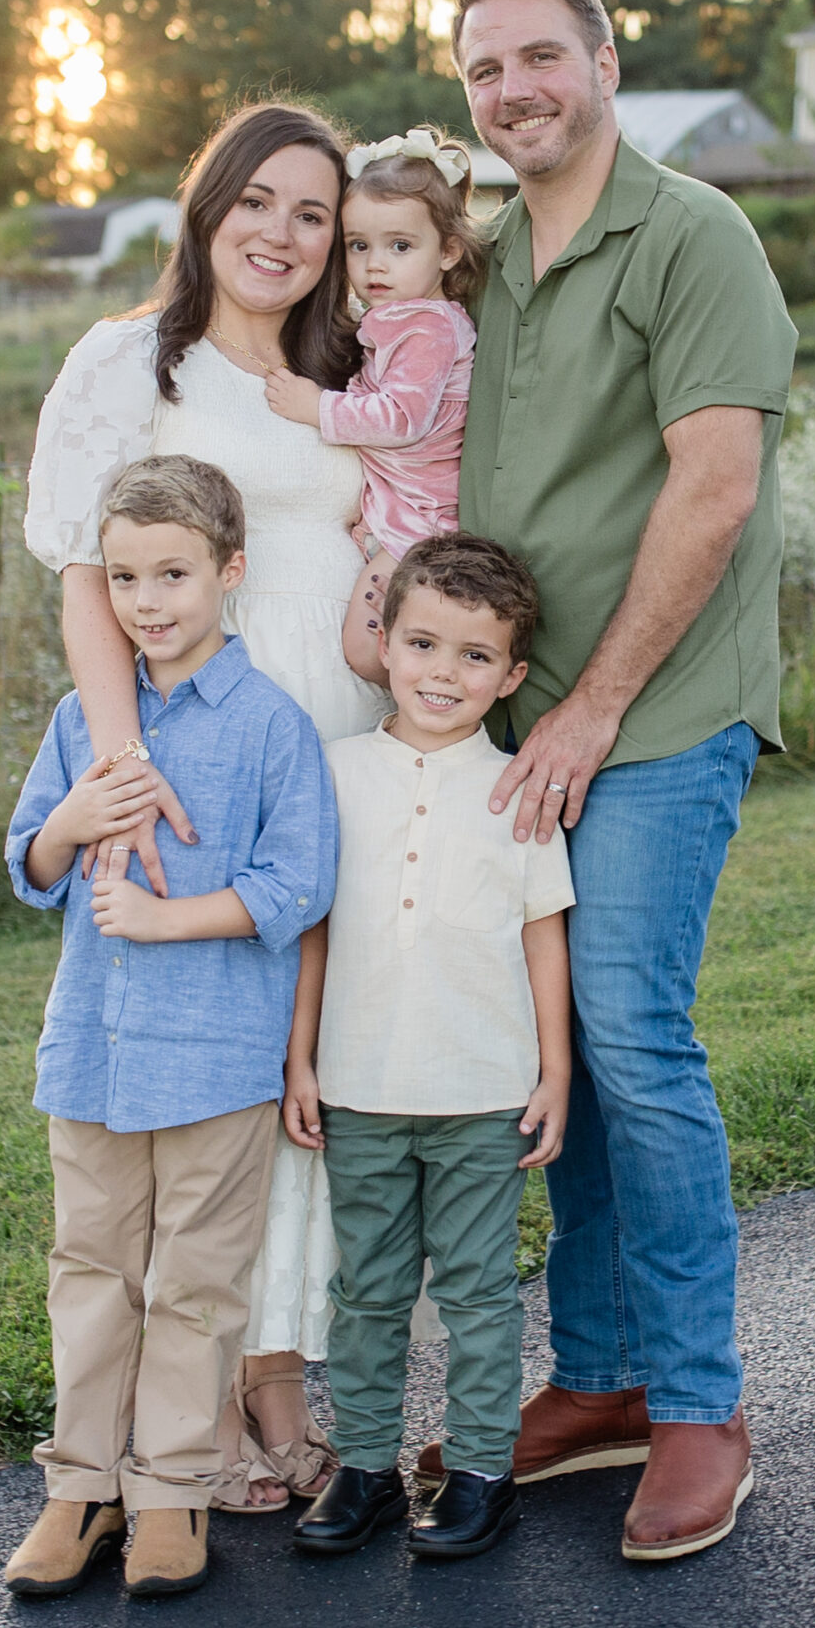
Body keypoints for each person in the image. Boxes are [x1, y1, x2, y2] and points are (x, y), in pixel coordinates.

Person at [421, 0, 798, 1564]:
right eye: (481, 72)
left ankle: (700, 1405)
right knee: (544, 1066)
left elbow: (709, 490)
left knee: (631, 1039)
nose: (511, 91)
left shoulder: (692, 235)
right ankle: (602, 1383)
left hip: (654, 716)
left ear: (600, 60)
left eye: (535, 58)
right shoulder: (487, 259)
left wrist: (589, 707)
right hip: (519, 731)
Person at [23, 103, 386, 1512]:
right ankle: (212, 1406)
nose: (281, 235)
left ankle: (284, 1376)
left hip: (334, 735)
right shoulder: (130, 363)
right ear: (207, 205)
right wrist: (121, 774)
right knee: (214, 1066)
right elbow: (81, 572)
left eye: (313, 213)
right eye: (259, 202)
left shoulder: (337, 368)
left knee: (315, 1068)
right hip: (194, 742)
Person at [1, 456, 336, 1600]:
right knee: (91, 1266)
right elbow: (29, 864)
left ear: (228, 573)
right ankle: (80, 1487)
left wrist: (165, 915)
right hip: (91, 1052)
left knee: (194, 1283)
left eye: (175, 574)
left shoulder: (269, 727)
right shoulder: (82, 721)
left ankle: (171, 1493)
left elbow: (298, 885)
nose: (148, 600)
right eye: (128, 577)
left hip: (216, 1060)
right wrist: (74, 823)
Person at [285, 534, 574, 1564]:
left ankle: (483, 1469)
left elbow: (545, 932)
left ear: (511, 675)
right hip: (360, 1086)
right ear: (383, 642)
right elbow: (313, 925)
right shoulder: (336, 772)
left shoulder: (520, 788)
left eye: (473, 656)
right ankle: (365, 1465)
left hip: (481, 1089)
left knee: (478, 1290)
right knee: (366, 1288)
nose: (443, 674)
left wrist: (555, 1069)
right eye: (422, 644)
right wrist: (302, 1058)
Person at [263, 126, 484, 679]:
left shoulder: (428, 330)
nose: (375, 265)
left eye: (400, 246)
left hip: (421, 525)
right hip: (403, 514)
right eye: (359, 246)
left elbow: (403, 418)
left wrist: (318, 408)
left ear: (449, 250)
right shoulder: (400, 319)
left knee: (369, 651)